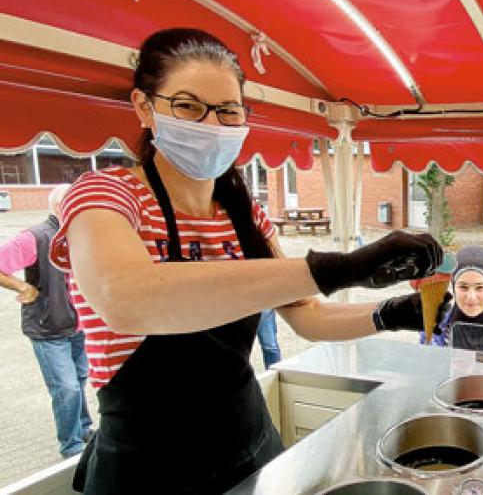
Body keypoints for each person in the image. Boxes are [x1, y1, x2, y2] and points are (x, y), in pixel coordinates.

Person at [54, 28, 444, 494]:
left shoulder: (245, 214)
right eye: (187, 106)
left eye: (227, 111)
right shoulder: (106, 197)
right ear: (144, 107)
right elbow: (129, 298)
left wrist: (391, 314)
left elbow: (308, 316)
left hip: (251, 447)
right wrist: (342, 267)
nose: (211, 126)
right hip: (147, 469)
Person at [0, 184, 93, 458]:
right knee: (66, 388)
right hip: (48, 327)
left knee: (78, 381)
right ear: (60, 207)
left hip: (77, 325)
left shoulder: (78, 234)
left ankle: (83, 429)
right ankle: (72, 447)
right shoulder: (35, 237)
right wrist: (22, 287)